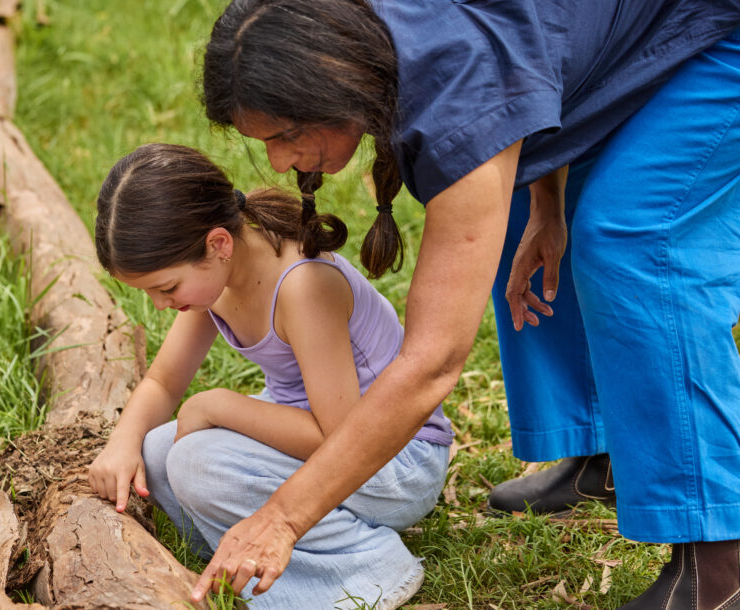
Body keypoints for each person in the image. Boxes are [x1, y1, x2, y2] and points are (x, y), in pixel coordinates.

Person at [191, 0, 740, 607]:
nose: (277, 161)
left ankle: (720, 562)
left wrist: (283, 519)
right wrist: (548, 200)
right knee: (508, 219)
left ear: (336, 80)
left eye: (288, 135)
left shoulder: (456, 89)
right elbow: (539, 63)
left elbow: (433, 361)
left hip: (717, 27)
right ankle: (602, 453)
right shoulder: (372, 37)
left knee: (631, 238)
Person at [88, 142, 453, 609]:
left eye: (167, 288)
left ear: (217, 244)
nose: (161, 305)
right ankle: (251, 558)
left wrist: (217, 405)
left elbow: (340, 439)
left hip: (393, 459)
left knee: (196, 460)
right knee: (157, 451)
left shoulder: (303, 287)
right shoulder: (216, 279)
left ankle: (364, 565)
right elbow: (162, 383)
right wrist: (122, 442)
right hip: (328, 442)